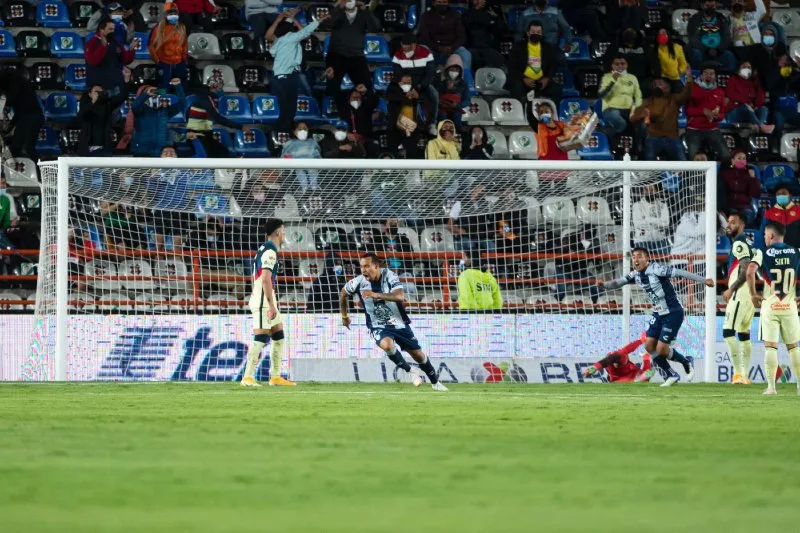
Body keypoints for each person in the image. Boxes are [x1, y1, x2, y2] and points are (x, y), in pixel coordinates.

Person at [599, 247, 715, 387]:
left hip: (673, 312)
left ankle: (686, 361)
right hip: (658, 313)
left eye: (639, 256)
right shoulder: (635, 274)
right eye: (634, 257)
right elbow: (618, 283)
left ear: (647, 259)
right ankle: (670, 375)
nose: (636, 259)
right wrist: (603, 285)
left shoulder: (657, 270)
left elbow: (679, 272)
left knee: (661, 349)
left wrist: (703, 280)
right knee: (649, 345)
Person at [340, 252, 448, 391]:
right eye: (361, 267)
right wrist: (344, 316)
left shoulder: (390, 276)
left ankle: (435, 383)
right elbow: (343, 293)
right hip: (377, 324)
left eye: (367, 266)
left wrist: (375, 294)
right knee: (386, 345)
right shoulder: (359, 282)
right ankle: (410, 371)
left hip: (398, 323)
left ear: (377, 266)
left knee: (418, 355)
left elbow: (400, 296)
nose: (363, 270)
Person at [241, 218, 296, 387]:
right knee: (261, 337)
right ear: (278, 232)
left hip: (265, 298)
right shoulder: (270, 251)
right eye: (284, 230)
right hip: (263, 301)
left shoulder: (264, 248)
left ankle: (275, 376)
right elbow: (265, 278)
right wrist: (271, 305)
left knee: (278, 334)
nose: (284, 234)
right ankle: (248, 377)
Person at [747, 222, 800, 395]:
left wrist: (754, 294)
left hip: (770, 306)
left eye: (764, 236)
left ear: (770, 235)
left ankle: (771, 387)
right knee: (793, 347)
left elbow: (750, 271)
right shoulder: (796, 252)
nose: (764, 238)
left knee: (771, 347)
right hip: (789, 306)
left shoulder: (762, 253)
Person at [267, 9, 327, 133]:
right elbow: (305, 32)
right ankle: (280, 134)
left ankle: (283, 133)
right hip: (285, 77)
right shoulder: (290, 38)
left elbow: (302, 34)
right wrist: (320, 20)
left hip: (285, 77)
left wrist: (291, 17)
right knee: (288, 111)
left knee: (288, 110)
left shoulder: (280, 40)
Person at [721, 212, 759, 385]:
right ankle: (745, 376)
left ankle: (737, 373)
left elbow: (745, 270)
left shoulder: (739, 243)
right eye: (728, 222)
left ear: (742, 226)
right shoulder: (749, 243)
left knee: (728, 332)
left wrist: (732, 289)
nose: (729, 225)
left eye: (733, 222)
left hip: (740, 293)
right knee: (743, 335)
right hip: (748, 295)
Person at [631, 69, 692, 161]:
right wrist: (642, 115)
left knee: (683, 163)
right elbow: (633, 118)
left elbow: (686, 95)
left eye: (659, 84)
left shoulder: (674, 99)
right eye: (654, 84)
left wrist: (689, 78)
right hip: (653, 138)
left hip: (672, 137)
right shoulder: (647, 102)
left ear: (668, 86)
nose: (656, 86)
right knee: (649, 165)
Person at [325, 0, 381, 93]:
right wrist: (338, 7)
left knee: (366, 88)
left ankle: (360, 106)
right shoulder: (337, 11)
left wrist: (367, 10)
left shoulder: (363, 13)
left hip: (356, 55)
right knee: (332, 87)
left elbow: (375, 28)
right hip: (336, 54)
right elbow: (327, 24)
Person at [391, 34, 439, 135]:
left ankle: (432, 123)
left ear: (414, 45)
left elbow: (430, 73)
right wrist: (406, 86)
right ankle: (400, 126)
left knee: (434, 95)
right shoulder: (397, 55)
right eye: (403, 45)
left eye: (408, 46)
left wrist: (420, 86)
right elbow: (397, 74)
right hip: (406, 84)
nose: (405, 48)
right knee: (393, 96)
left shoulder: (426, 53)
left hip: (422, 83)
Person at [508, 21, 563, 105]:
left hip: (541, 81)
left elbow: (553, 65)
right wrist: (524, 78)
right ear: (528, 33)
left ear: (542, 34)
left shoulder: (548, 47)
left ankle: (553, 114)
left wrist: (547, 78)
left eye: (538, 32)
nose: (536, 34)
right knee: (516, 87)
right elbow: (511, 66)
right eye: (533, 32)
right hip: (522, 80)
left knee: (557, 89)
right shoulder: (518, 46)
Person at [185, 77, 242, 157]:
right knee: (220, 153)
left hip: (204, 133)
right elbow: (217, 118)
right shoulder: (206, 97)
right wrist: (240, 126)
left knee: (223, 152)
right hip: (197, 135)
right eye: (220, 85)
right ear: (214, 86)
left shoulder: (208, 96)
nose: (221, 87)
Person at [131, 78, 186, 156]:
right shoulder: (140, 110)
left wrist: (178, 86)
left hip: (161, 151)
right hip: (142, 151)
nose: (153, 94)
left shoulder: (165, 110)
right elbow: (134, 106)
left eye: (156, 92)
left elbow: (182, 104)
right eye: (151, 92)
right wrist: (146, 94)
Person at [685, 63, 729, 160]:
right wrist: (703, 111)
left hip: (712, 129)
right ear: (701, 75)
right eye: (706, 73)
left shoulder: (720, 92)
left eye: (711, 73)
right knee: (693, 157)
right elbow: (688, 111)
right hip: (694, 129)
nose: (709, 75)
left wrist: (717, 116)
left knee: (726, 155)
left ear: (715, 76)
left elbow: (722, 114)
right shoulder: (692, 88)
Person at [85, 16, 138, 96]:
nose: (113, 31)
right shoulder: (91, 43)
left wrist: (131, 50)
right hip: (98, 88)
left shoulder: (116, 43)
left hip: (114, 86)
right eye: (110, 29)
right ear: (102, 30)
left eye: (114, 29)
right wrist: (103, 46)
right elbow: (93, 61)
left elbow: (125, 60)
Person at [0, 69, 44, 163]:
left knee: (22, 147)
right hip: (33, 117)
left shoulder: (14, 83)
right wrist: (10, 126)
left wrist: (6, 105)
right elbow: (19, 111)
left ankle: (32, 171)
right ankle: (35, 171)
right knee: (25, 148)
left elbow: (14, 101)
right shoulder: (20, 82)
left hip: (30, 117)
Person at [598, 55, 642, 144]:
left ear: (627, 65)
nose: (620, 66)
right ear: (612, 66)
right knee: (621, 123)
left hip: (629, 109)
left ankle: (638, 146)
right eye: (617, 64)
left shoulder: (632, 78)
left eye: (622, 63)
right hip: (611, 109)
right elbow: (601, 95)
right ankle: (605, 136)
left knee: (643, 125)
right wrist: (613, 80)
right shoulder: (606, 77)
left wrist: (635, 110)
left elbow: (638, 96)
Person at [417, 0, 472, 70]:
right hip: (432, 47)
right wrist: (437, 47)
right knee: (422, 49)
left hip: (452, 47)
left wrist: (452, 47)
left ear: (448, 3)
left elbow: (461, 36)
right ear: (433, 3)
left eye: (444, 2)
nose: (442, 4)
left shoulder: (455, 15)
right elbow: (424, 37)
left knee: (465, 53)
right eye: (439, 2)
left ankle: (465, 78)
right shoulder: (425, 16)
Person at [78, 84, 128, 156]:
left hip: (104, 148)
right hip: (87, 147)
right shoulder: (85, 103)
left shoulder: (107, 104)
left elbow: (122, 97)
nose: (98, 94)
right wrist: (93, 101)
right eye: (96, 92)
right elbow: (81, 115)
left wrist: (126, 82)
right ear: (89, 94)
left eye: (100, 92)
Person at [582, 332, 653, 382]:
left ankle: (639, 378)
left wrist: (641, 341)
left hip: (625, 374)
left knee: (646, 375)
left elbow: (626, 350)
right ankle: (638, 378)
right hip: (623, 377)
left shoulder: (621, 358)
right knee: (646, 375)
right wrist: (646, 358)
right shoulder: (614, 370)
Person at [687, 0, 737, 72]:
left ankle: (726, 79)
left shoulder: (721, 18)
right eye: (707, 6)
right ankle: (697, 78)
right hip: (702, 52)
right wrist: (706, 50)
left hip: (719, 52)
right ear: (702, 5)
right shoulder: (694, 19)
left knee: (729, 55)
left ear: (716, 5)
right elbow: (692, 38)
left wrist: (718, 50)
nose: (710, 8)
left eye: (712, 6)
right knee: (695, 53)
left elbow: (727, 37)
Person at [725, 59, 774, 133]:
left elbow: (761, 95)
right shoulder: (733, 79)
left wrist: (756, 105)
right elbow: (731, 94)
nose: (746, 69)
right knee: (745, 107)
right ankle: (761, 125)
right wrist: (747, 103)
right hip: (735, 112)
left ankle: (757, 125)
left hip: (751, 112)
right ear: (738, 69)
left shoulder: (754, 81)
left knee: (764, 108)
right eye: (744, 67)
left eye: (749, 67)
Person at [148, 3, 189, 89]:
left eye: (175, 14)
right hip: (164, 63)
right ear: (166, 15)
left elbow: (184, 44)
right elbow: (151, 46)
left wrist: (184, 59)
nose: (173, 16)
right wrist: (157, 60)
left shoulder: (182, 27)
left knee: (180, 89)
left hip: (179, 63)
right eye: (170, 14)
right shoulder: (158, 28)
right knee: (163, 89)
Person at [605, 27, 658, 92]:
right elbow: (607, 67)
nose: (629, 33)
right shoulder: (614, 48)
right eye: (627, 31)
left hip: (642, 85)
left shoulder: (646, 49)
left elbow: (656, 67)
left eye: (632, 31)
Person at [385, 73, 425, 158]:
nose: (407, 84)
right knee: (393, 153)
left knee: (412, 152)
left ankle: (412, 169)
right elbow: (390, 97)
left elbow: (426, 100)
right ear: (398, 83)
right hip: (395, 127)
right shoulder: (393, 90)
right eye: (404, 83)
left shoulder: (414, 91)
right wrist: (404, 96)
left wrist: (418, 97)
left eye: (409, 82)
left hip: (411, 128)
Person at [335, 84, 379, 157]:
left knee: (373, 148)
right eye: (354, 98)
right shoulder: (344, 110)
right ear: (349, 100)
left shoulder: (366, 108)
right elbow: (340, 129)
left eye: (358, 98)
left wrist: (365, 91)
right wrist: (347, 134)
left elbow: (375, 100)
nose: (356, 100)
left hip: (364, 140)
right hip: (348, 140)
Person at [464, 0, 507, 70]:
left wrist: (496, 18)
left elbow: (503, 30)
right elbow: (468, 25)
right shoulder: (467, 14)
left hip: (489, 47)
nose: (481, 1)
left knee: (498, 59)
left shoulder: (492, 12)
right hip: (472, 47)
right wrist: (476, 9)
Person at [720, 150, 760, 224]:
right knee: (732, 218)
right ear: (732, 161)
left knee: (746, 217)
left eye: (744, 158)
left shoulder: (749, 173)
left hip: (745, 207)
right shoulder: (724, 173)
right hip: (730, 206)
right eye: (739, 158)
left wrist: (753, 178)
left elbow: (756, 194)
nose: (742, 160)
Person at [280, 121, 322, 193]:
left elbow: (318, 154)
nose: (303, 131)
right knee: (300, 171)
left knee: (312, 171)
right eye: (300, 129)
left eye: (305, 129)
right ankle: (305, 188)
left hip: (311, 164)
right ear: (294, 132)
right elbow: (284, 155)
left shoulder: (312, 142)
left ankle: (314, 188)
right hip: (297, 164)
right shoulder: (290, 143)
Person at [435, 54, 468, 130]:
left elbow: (467, 100)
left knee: (456, 117)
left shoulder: (463, 84)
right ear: (447, 70)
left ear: (460, 71)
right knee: (442, 116)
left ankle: (458, 133)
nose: (454, 72)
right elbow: (435, 96)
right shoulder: (441, 83)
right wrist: (441, 103)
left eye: (456, 70)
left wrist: (457, 105)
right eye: (452, 70)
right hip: (443, 108)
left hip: (456, 108)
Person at [654, 27, 688, 94]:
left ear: (668, 35)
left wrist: (678, 72)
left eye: (663, 33)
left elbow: (683, 64)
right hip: (663, 77)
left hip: (676, 78)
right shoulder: (655, 49)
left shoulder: (677, 47)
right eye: (659, 34)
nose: (661, 35)